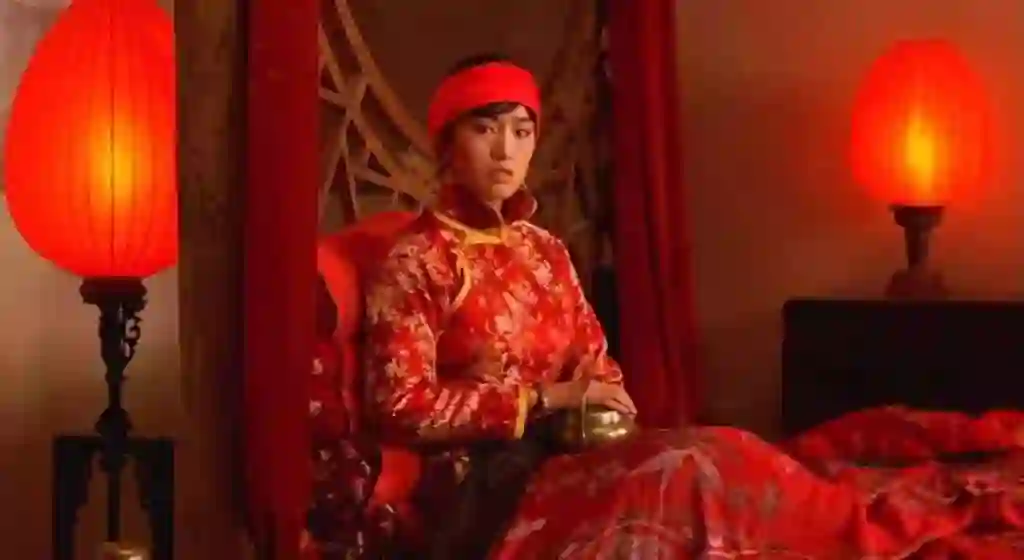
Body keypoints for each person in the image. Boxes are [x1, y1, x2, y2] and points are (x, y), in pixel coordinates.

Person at [359, 54, 1011, 559]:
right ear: (447, 144)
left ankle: (854, 529)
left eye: (521, 131)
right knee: (689, 472)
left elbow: (595, 362)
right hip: (489, 485)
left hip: (572, 453)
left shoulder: (543, 250)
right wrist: (541, 400)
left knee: (722, 447)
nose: (506, 151)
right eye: (484, 129)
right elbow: (399, 404)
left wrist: (602, 403)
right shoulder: (419, 260)